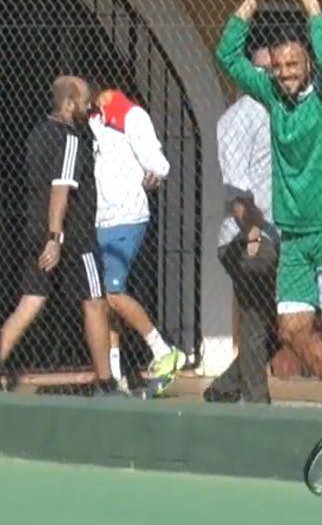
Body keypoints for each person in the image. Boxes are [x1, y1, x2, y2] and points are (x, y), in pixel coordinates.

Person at [215, 0, 322, 411]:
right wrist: (249, 1)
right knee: (291, 329)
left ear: (307, 67)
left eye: (293, 66)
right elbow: (227, 56)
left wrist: (311, 4)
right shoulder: (270, 95)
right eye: (279, 67)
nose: (284, 74)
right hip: (295, 236)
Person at [0, 76, 119, 396]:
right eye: (83, 101)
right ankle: (106, 382)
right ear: (68, 102)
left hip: (35, 229)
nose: (88, 105)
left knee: (31, 301)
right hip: (72, 236)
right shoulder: (69, 138)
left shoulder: (37, 134)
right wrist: (56, 237)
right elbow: (60, 190)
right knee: (94, 301)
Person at [89, 86, 186, 395]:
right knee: (104, 300)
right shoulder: (95, 121)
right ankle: (114, 373)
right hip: (102, 218)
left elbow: (158, 162)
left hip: (126, 217)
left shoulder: (131, 116)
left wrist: (154, 171)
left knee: (114, 294)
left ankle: (163, 351)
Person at [204, 44, 278, 404]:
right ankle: (255, 400)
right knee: (256, 316)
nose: (271, 76)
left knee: (280, 322)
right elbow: (238, 192)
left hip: (278, 233)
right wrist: (252, 234)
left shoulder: (282, 112)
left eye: (275, 69)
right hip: (247, 235)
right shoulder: (237, 118)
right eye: (262, 70)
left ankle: (228, 386)